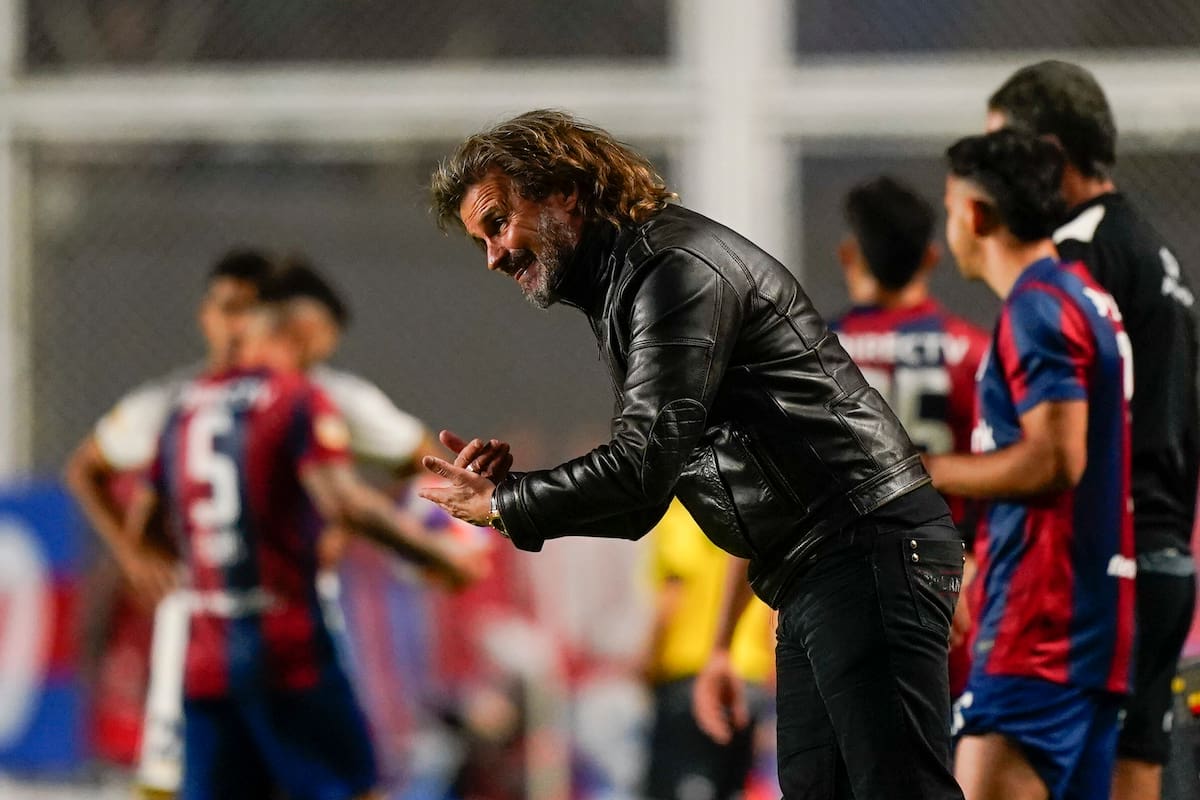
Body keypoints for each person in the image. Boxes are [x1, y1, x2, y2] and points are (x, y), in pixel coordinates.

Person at [420, 109, 965, 800]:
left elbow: (642, 465)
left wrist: (504, 501)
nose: (495, 256)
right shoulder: (636, 275)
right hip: (815, 568)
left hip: (863, 554)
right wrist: (518, 492)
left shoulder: (670, 269)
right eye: (481, 241)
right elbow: (645, 499)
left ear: (562, 190)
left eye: (498, 223)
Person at [118, 282, 481, 800]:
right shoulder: (295, 399)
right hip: (287, 645)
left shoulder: (185, 406)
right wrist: (438, 555)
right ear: (302, 336)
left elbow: (144, 529)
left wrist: (205, 565)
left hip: (203, 654)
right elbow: (345, 502)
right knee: (353, 790)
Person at [987, 61, 1199, 800]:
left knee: (1018, 760)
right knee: (1134, 767)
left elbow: (1061, 439)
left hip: (1112, 557)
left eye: (1000, 150)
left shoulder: (1077, 264)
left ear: (1046, 153)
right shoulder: (1152, 249)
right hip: (1165, 553)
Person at [926, 128, 1136, 800]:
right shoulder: (1083, 296)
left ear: (977, 215)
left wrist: (927, 472)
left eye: (952, 205)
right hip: (1085, 633)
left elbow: (1054, 460)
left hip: (1039, 634)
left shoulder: (1037, 309)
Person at [63, 248, 274, 779]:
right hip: (195, 623)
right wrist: (132, 553)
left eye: (252, 310)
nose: (238, 325)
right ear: (206, 316)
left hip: (283, 621)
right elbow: (84, 468)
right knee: (176, 774)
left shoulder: (303, 401)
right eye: (227, 309)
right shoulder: (168, 404)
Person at [830, 176, 990, 694]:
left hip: (842, 591)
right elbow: (1008, 472)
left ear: (849, 254)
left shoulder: (817, 356)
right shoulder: (972, 352)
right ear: (932, 256)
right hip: (948, 588)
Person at [641, 500, 774, 800]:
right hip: (748, 674)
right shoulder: (751, 509)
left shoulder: (683, 515)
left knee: (682, 784)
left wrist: (648, 660)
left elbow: (672, 597)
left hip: (690, 671)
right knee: (732, 786)